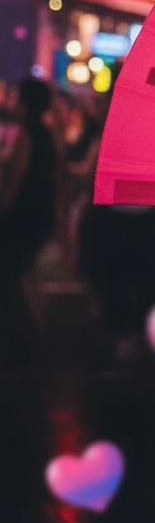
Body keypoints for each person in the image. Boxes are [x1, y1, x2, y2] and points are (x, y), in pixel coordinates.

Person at [0, 78, 57, 370]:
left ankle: (30, 338)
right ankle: (36, 335)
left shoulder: (26, 134)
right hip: (41, 211)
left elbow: (15, 180)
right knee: (28, 274)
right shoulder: (48, 133)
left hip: (23, 213)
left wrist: (5, 210)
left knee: (16, 277)